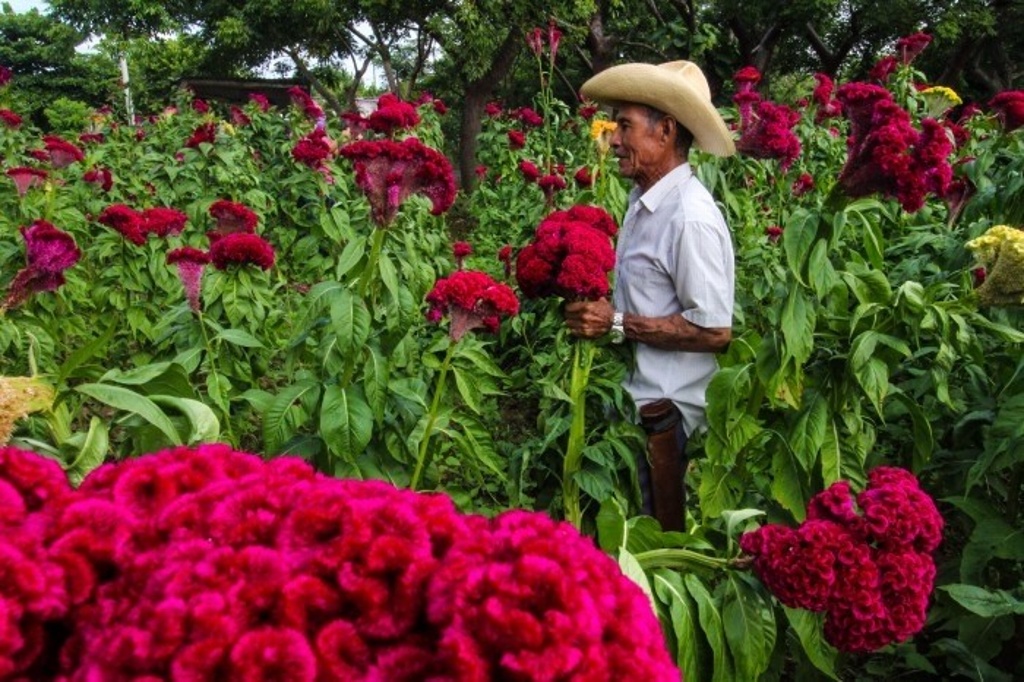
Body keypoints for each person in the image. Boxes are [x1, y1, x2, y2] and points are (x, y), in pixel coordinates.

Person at [565, 61, 736, 531]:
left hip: (666, 421)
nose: (614, 138)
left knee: (652, 547)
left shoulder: (689, 218)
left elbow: (715, 330)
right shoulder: (645, 202)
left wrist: (615, 323)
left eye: (625, 125)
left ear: (665, 131)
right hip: (634, 407)